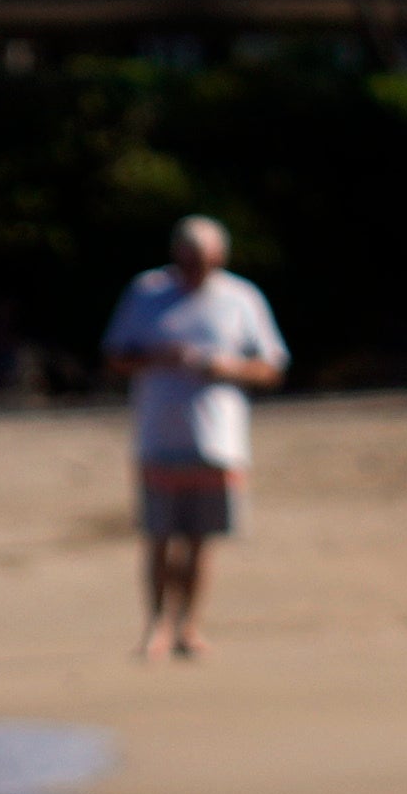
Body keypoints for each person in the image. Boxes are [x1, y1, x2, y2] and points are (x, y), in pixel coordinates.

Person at [103, 213, 290, 657]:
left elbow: (272, 366)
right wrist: (156, 357)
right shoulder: (147, 293)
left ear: (219, 258)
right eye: (186, 260)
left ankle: (189, 626)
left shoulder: (241, 297)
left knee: (201, 542)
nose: (193, 270)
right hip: (157, 437)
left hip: (218, 440)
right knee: (158, 538)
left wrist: (228, 367)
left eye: (202, 261)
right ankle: (155, 626)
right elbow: (115, 356)